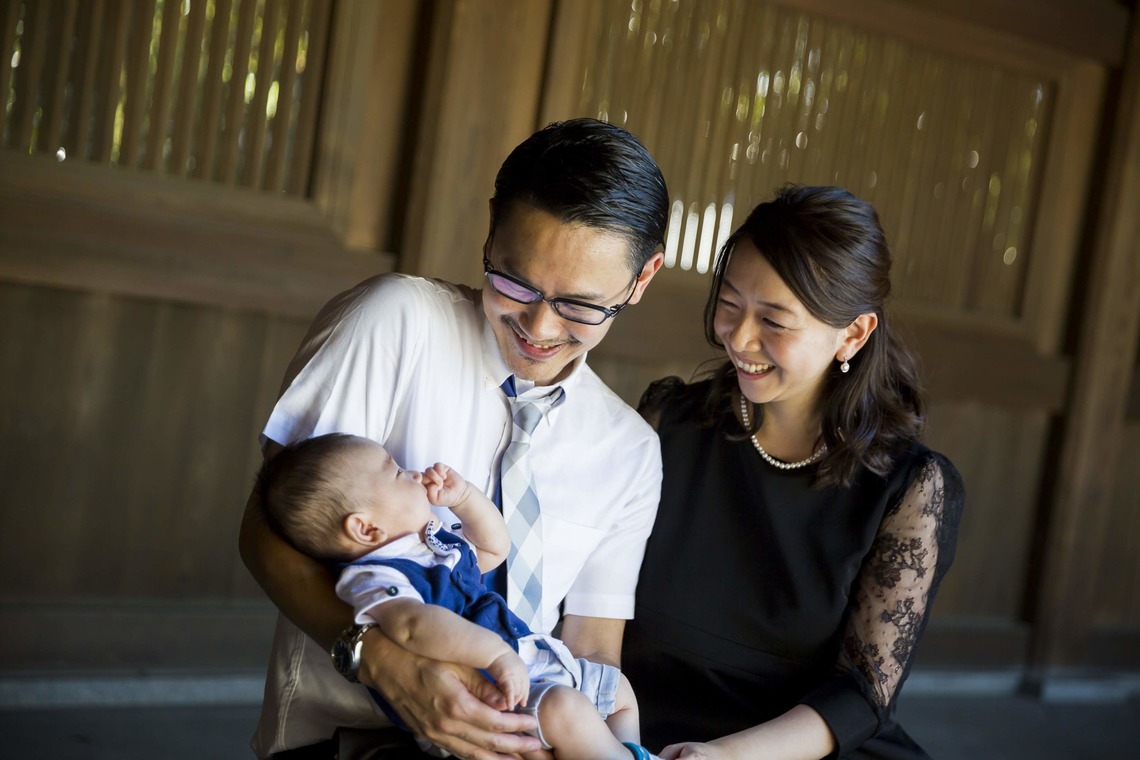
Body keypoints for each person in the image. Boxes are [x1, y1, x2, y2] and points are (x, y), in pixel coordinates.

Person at [239, 118, 669, 760]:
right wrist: (379, 659)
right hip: (346, 743)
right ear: (493, 226)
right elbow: (264, 529)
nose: (540, 326)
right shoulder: (391, 323)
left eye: (580, 306)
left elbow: (591, 650)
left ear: (641, 279)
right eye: (515, 282)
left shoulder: (630, 451)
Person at [621, 185, 965, 760]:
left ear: (852, 334)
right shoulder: (667, 425)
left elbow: (862, 693)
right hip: (639, 735)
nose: (739, 336)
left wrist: (729, 756)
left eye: (774, 320)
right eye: (730, 304)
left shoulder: (908, 489)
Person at [256, 433, 659, 760]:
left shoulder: (430, 546)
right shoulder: (376, 576)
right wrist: (495, 655)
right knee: (566, 711)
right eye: (396, 474)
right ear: (365, 529)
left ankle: (631, 753)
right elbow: (413, 627)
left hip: (530, 663)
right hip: (488, 693)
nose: (413, 475)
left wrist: (464, 499)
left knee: (619, 692)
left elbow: (493, 549)